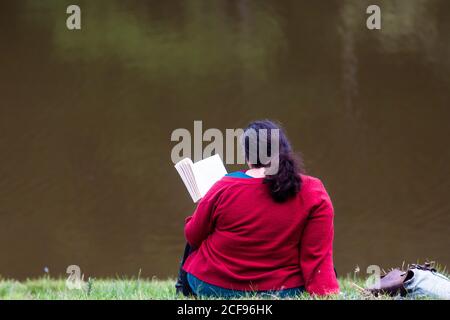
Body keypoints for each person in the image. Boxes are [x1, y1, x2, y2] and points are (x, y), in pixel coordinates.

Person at [176, 120, 339, 298]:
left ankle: (181, 290)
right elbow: (316, 255)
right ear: (284, 150)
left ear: (248, 157)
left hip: (212, 286)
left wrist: (204, 204)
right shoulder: (313, 190)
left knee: (200, 229)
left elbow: (193, 235)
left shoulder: (224, 186)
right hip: (284, 290)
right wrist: (325, 293)